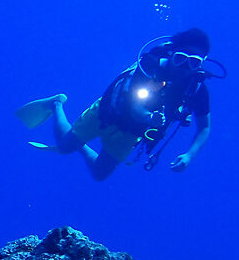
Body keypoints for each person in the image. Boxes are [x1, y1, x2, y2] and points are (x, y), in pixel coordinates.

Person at [16, 28, 221, 181]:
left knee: (99, 173)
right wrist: (150, 117)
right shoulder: (150, 66)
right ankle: (56, 104)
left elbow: (205, 127)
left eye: (193, 62)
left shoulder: (196, 89)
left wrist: (189, 155)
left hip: (132, 132)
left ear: (201, 64)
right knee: (65, 147)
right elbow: (134, 104)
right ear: (172, 54)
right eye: (180, 59)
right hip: (108, 113)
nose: (185, 68)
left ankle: (79, 142)